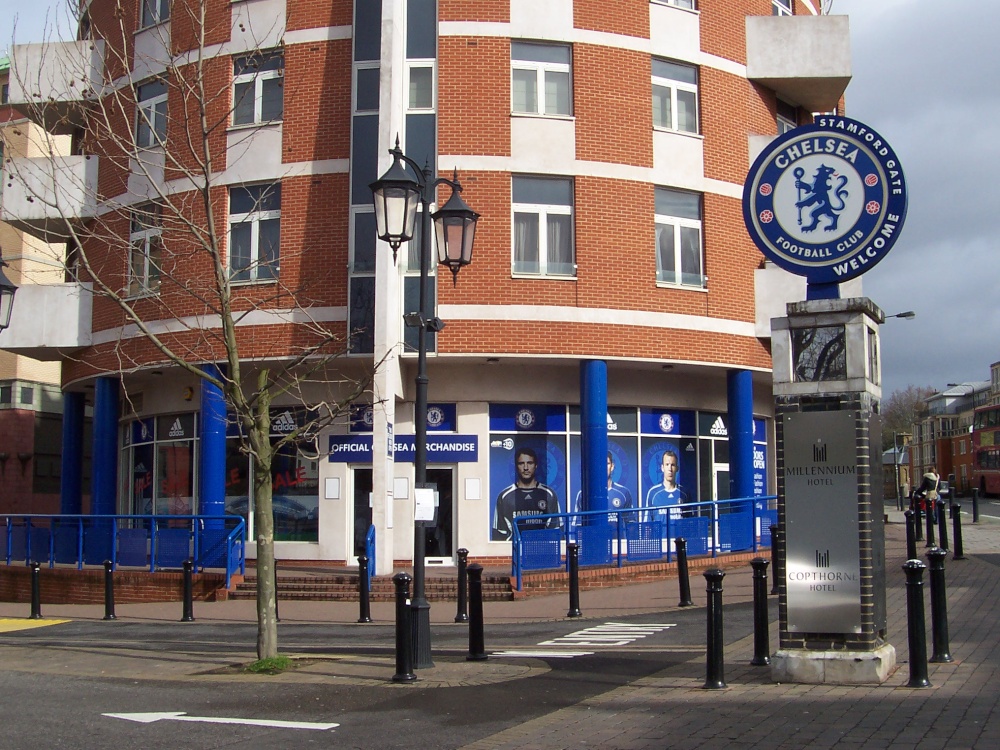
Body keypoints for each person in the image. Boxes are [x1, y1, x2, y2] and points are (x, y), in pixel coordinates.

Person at [492, 447, 560, 541]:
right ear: (516, 466)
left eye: (530, 463)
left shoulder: (549, 494)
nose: (526, 468)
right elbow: (499, 534)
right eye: (521, 463)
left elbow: (556, 531)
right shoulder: (504, 496)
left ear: (536, 465)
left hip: (541, 548)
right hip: (515, 549)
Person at [572, 451, 634, 526]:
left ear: (612, 466)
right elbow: (578, 525)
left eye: (607, 464)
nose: (603, 467)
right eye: (599, 464)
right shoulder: (583, 494)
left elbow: (631, 524)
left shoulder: (624, 492)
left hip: (616, 534)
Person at [642, 448, 689, 523]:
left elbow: (690, 522)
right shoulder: (653, 493)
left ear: (677, 468)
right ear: (662, 468)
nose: (670, 469)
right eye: (667, 465)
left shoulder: (684, 493)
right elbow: (647, 523)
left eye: (672, 465)